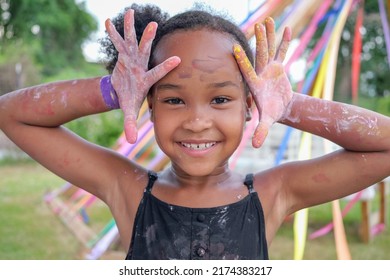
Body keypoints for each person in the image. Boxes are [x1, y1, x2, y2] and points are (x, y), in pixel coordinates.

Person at [0, 3, 389, 260]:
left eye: (220, 100)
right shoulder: (125, 187)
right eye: (174, 100)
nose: (197, 120)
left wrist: (290, 106)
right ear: (148, 103)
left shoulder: (274, 193)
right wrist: (112, 91)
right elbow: (11, 114)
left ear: (250, 104)